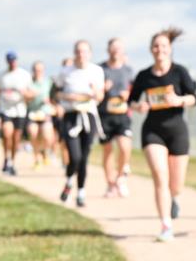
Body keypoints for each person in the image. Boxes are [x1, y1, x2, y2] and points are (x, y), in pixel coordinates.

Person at [127, 28, 196, 241]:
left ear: (170, 49)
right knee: (160, 176)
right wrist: (138, 106)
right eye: (156, 46)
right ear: (151, 50)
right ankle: (166, 225)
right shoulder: (143, 76)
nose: (160, 50)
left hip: (177, 130)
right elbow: (131, 100)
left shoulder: (179, 72)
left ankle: (174, 198)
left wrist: (180, 100)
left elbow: (195, 97)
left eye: (164, 46)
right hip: (152, 131)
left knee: (176, 185)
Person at [54, 41, 105, 207]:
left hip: (89, 116)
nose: (81, 55)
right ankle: (69, 181)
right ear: (74, 53)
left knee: (84, 157)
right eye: (78, 51)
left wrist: (95, 92)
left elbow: (100, 96)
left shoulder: (97, 71)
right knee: (74, 156)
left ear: (89, 54)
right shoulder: (65, 72)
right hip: (71, 116)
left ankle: (81, 192)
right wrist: (66, 97)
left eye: (84, 52)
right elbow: (56, 92)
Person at [99, 38, 135, 198]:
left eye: (118, 49)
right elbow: (94, 92)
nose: (115, 51)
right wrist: (102, 88)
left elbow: (134, 91)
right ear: (108, 50)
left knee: (125, 147)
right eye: (113, 48)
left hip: (122, 114)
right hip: (104, 114)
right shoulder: (100, 69)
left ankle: (120, 177)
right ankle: (110, 184)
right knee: (107, 150)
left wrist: (128, 94)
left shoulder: (128, 70)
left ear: (122, 51)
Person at [0, 51, 33, 175]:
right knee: (7, 134)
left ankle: (12, 162)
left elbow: (31, 94)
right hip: (6, 109)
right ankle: (6, 158)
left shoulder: (25, 75)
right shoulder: (0, 76)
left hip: (20, 111)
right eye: (10, 60)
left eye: (14, 60)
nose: (12, 63)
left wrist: (25, 94)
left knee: (16, 138)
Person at [26, 61, 56, 168]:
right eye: (36, 70)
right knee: (33, 134)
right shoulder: (29, 82)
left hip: (45, 113)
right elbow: (25, 96)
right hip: (32, 113)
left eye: (40, 70)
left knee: (47, 137)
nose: (38, 72)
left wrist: (50, 101)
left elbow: (54, 97)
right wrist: (31, 96)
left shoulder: (49, 82)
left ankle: (43, 150)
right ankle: (37, 158)